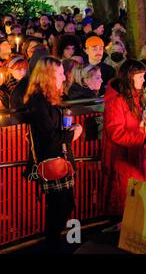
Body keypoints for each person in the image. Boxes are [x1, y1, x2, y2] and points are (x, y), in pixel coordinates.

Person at [24, 56, 83, 252]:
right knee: (60, 206)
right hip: (50, 160)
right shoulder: (38, 101)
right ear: (48, 76)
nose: (64, 77)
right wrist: (72, 135)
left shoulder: (48, 98)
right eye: (59, 73)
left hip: (58, 159)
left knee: (63, 205)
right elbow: (49, 136)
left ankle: (52, 244)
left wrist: (68, 131)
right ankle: (51, 246)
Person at [102, 60, 146, 217]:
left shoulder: (133, 98)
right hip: (123, 160)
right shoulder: (116, 101)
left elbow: (135, 124)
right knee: (125, 202)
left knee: (135, 201)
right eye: (140, 77)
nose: (143, 80)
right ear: (130, 77)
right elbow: (116, 133)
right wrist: (143, 136)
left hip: (134, 157)